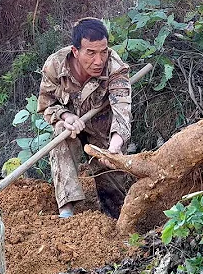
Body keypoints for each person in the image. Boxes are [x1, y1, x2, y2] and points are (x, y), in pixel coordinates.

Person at [37, 17, 134, 218]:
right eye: (91, 53)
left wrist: (114, 149)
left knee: (114, 200)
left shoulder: (116, 68)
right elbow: (46, 104)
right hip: (72, 128)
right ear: (75, 51)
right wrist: (65, 115)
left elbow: (122, 112)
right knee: (60, 134)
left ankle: (112, 217)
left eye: (103, 52)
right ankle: (66, 210)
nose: (98, 61)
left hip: (104, 131)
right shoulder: (55, 65)